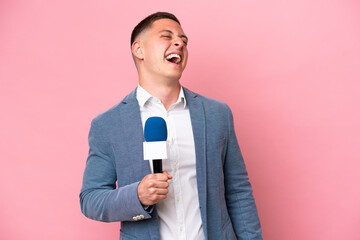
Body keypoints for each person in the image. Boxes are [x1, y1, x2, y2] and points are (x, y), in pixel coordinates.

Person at [80, 12, 263, 240]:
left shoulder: (217, 114)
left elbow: (238, 192)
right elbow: (90, 199)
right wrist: (137, 196)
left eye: (183, 41)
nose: (179, 43)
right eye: (166, 36)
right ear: (139, 50)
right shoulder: (107, 125)